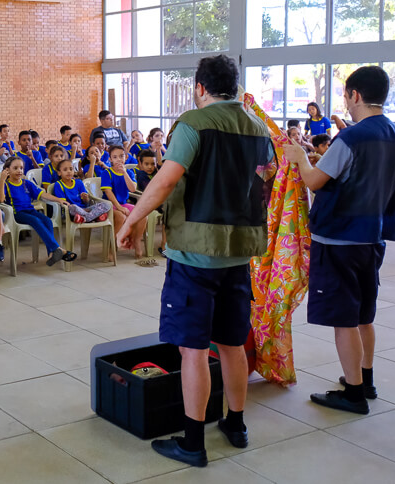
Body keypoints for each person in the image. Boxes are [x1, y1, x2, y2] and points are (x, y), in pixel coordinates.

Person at [116, 55, 273, 466]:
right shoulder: (259, 128)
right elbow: (263, 185)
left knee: (193, 350)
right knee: (233, 344)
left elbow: (166, 179)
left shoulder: (193, 123)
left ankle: (192, 442)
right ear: (234, 87)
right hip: (239, 253)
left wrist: (132, 220)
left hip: (195, 254)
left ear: (199, 88)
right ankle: (236, 424)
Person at [285, 66, 395, 419]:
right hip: (373, 235)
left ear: (355, 95)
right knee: (363, 314)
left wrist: (300, 158)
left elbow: (315, 181)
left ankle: (354, 394)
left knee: (344, 318)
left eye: (346, 95)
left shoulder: (351, 138)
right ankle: (365, 379)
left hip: (339, 236)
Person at [0, 157, 78, 266]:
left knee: (47, 221)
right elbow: (0, 199)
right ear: (7, 170)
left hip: (30, 211)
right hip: (17, 213)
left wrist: (58, 200)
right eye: (15, 168)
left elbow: (43, 194)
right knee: (36, 220)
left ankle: (52, 253)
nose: (19, 171)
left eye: (21, 168)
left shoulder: (26, 183)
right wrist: (2, 180)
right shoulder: (6, 184)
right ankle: (57, 249)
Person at [51, 152, 110, 224]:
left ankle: (84, 218)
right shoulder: (58, 185)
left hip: (84, 209)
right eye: (65, 170)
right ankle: (93, 217)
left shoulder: (79, 182)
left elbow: (86, 202)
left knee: (106, 205)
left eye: (71, 169)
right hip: (70, 212)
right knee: (73, 207)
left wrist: (86, 198)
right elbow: (64, 204)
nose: (69, 172)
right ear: (59, 173)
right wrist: (80, 209)